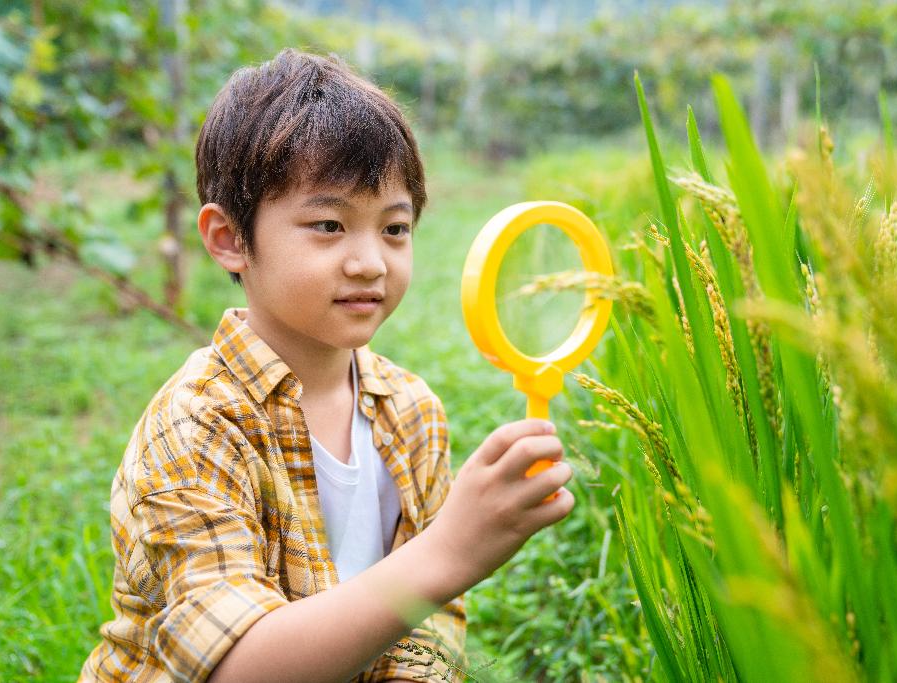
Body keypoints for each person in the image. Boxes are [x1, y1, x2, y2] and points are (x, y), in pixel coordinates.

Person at [78, 48, 574, 682]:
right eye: (329, 224)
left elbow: (429, 632)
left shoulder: (412, 412)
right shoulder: (195, 428)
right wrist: (451, 549)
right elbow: (235, 670)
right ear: (230, 240)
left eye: (394, 229)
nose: (370, 261)